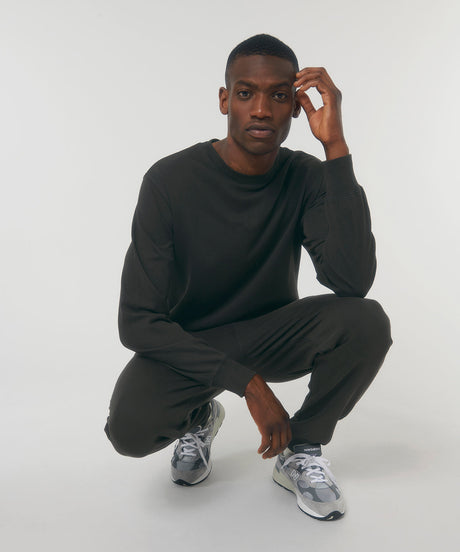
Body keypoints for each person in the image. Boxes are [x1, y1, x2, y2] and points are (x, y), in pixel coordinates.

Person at [104, 34, 393, 521]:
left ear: (295, 108)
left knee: (366, 321)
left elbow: (352, 282)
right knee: (129, 431)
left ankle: (301, 447)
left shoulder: (307, 176)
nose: (261, 109)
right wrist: (249, 387)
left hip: (271, 334)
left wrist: (336, 148)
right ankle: (199, 417)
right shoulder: (168, 182)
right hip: (193, 345)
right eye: (245, 93)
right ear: (225, 100)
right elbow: (136, 322)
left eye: (279, 96)